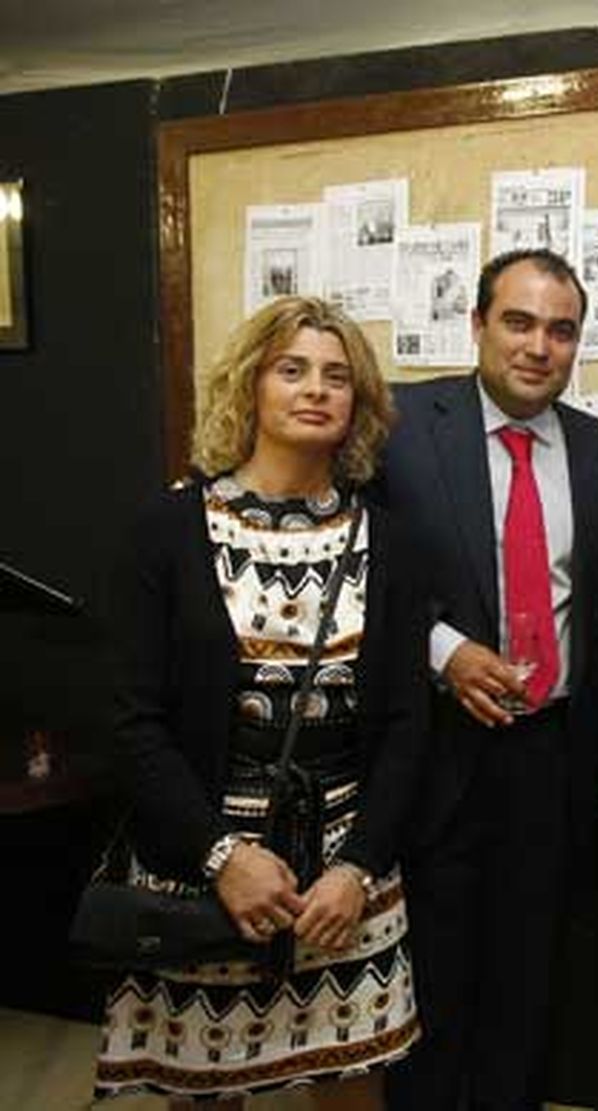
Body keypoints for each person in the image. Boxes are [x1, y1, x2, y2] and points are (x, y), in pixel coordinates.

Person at [95, 296, 427, 1107]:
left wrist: (357, 868)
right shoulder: (165, 529)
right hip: (202, 868)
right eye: (292, 369)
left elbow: (407, 725)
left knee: (354, 1093)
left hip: (343, 880)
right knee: (207, 1090)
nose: (315, 389)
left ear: (357, 402)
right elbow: (132, 722)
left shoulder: (390, 540)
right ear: (250, 384)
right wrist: (223, 858)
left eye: (336, 376)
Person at [378, 247, 598, 1111]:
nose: (538, 346)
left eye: (560, 330)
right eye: (519, 322)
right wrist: (442, 650)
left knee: (528, 986)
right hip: (432, 752)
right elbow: (356, 571)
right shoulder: (396, 429)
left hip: (554, 759)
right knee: (429, 987)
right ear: (477, 325)